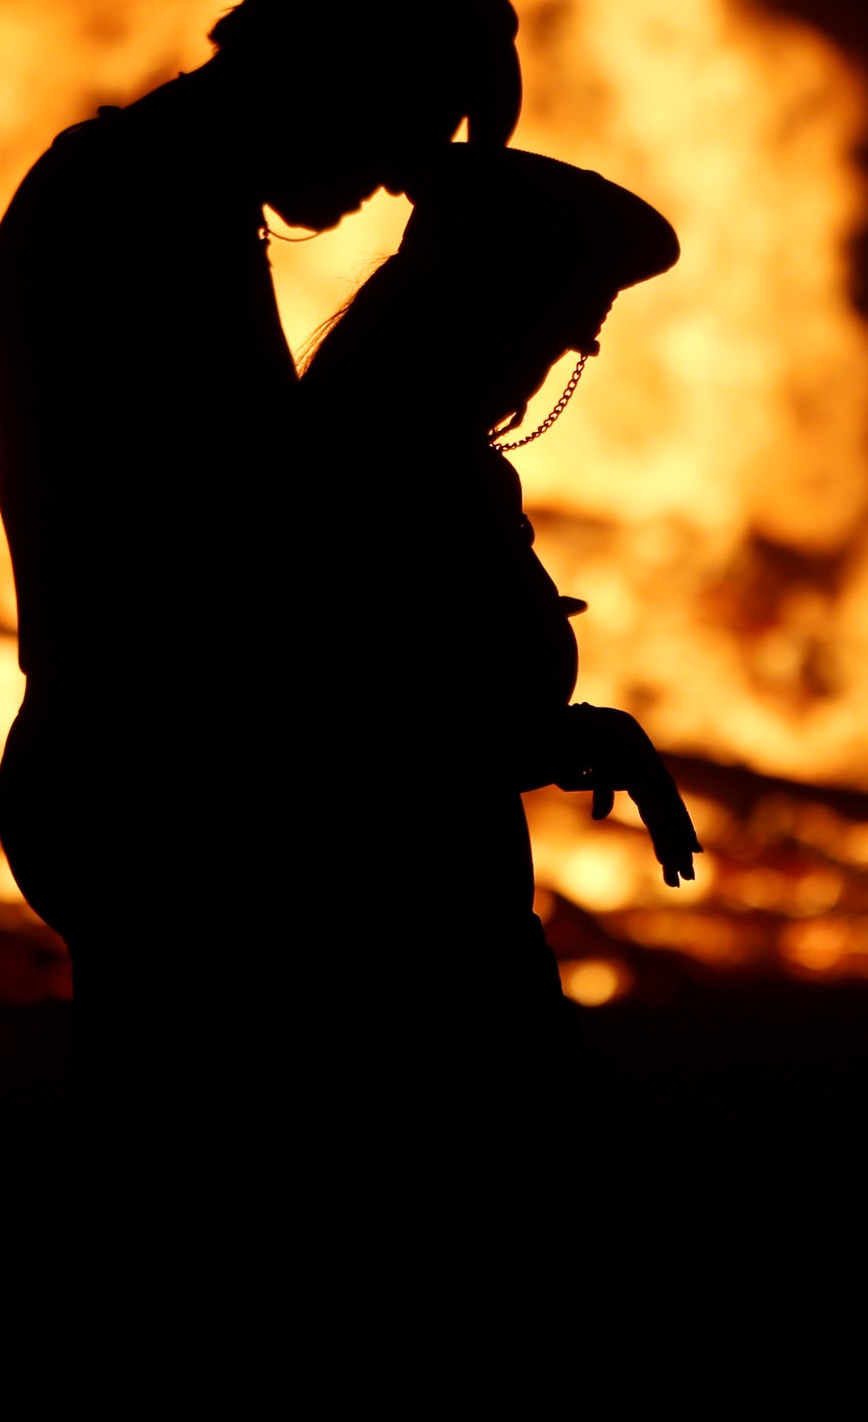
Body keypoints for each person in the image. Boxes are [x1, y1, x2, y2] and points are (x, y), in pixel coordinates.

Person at [0, 0, 520, 1135]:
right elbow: (251, 524)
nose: (394, 174)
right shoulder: (150, 212)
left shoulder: (146, 189)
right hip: (161, 773)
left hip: (125, 755)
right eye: (403, 123)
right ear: (332, 65)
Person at [291, 144, 702, 1148]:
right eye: (565, 318)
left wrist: (564, 737)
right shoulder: (372, 464)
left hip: (446, 929)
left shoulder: (418, 454)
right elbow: (364, 732)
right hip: (395, 958)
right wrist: (563, 737)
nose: (577, 349)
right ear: (486, 303)